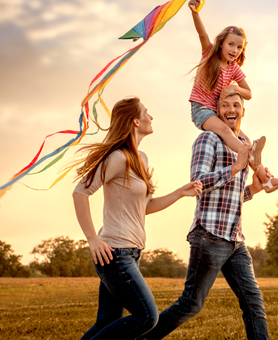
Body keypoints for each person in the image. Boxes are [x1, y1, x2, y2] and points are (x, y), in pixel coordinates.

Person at [140, 92, 271, 340]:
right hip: (209, 236)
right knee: (191, 304)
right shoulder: (208, 139)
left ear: (243, 111)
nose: (231, 109)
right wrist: (235, 168)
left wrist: (253, 188)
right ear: (217, 111)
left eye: (236, 105)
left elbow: (231, 197)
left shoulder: (242, 146)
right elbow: (197, 184)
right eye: (225, 105)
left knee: (254, 304)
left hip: (235, 239)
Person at [72, 97, 203, 340]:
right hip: (114, 253)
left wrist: (179, 193)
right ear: (135, 121)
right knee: (148, 317)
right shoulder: (117, 158)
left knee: (108, 321)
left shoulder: (140, 158)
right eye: (146, 112)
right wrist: (92, 239)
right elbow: (81, 192)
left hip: (130, 252)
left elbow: (144, 207)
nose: (150, 117)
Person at [187, 0, 278, 193]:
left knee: (245, 139)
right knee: (229, 134)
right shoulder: (209, 54)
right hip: (201, 109)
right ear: (221, 44)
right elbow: (202, 33)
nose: (234, 50)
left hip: (216, 112)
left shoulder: (234, 69)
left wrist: (235, 88)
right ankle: (248, 152)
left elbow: (249, 93)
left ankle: (266, 180)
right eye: (231, 45)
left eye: (239, 48)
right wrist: (195, 12)